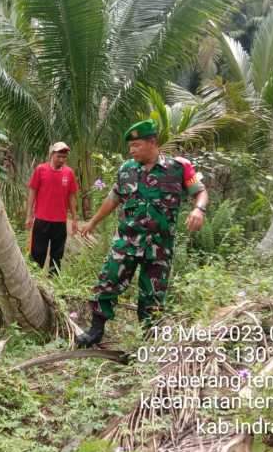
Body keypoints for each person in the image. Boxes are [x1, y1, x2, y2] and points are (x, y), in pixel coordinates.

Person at [76, 119, 208, 347]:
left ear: (152, 142)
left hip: (159, 248)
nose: (131, 150)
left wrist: (198, 209)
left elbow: (201, 192)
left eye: (136, 145)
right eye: (130, 146)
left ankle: (147, 344)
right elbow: (113, 198)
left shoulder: (179, 167)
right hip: (126, 242)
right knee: (107, 282)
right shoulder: (126, 170)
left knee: (152, 296)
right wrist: (93, 222)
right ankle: (96, 331)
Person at [25, 142, 79, 275]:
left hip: (60, 222)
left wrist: (74, 219)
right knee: (37, 255)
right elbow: (32, 192)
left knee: (57, 256)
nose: (61, 159)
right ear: (51, 155)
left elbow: (72, 197)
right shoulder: (40, 170)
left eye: (64, 157)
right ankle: (34, 282)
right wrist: (29, 216)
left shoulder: (69, 173)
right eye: (59, 156)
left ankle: (54, 286)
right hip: (42, 220)